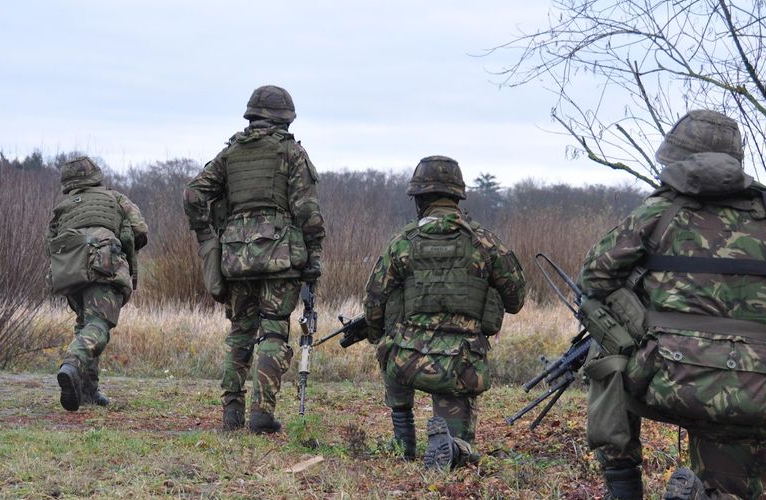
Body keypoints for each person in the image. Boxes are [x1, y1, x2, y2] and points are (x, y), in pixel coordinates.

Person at [576, 110, 766, 500]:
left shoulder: (655, 214)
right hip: (749, 391)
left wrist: (645, 316)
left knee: (605, 352)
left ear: (676, 159)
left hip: (663, 380)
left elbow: (594, 280)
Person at [363, 156, 526, 470]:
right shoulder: (484, 242)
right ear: (457, 198)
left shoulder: (401, 243)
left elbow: (374, 301)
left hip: (405, 362)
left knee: (389, 343)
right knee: (455, 448)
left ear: (419, 200)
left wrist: (380, 339)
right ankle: (454, 447)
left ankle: (403, 439)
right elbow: (516, 299)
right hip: (458, 365)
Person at [183, 85, 325, 433]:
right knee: (274, 331)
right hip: (279, 258)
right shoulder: (290, 153)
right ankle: (262, 412)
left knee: (240, 332)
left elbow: (193, 193)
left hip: (236, 258)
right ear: (285, 118)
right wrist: (314, 255)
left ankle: (231, 413)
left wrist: (207, 236)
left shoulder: (230, 153)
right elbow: (306, 210)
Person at [47, 156, 148, 411]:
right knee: (99, 324)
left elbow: (49, 243)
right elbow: (140, 230)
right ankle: (72, 363)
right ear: (96, 176)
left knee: (85, 324)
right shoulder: (116, 198)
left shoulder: (63, 207)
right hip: (104, 262)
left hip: (70, 270)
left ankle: (87, 390)